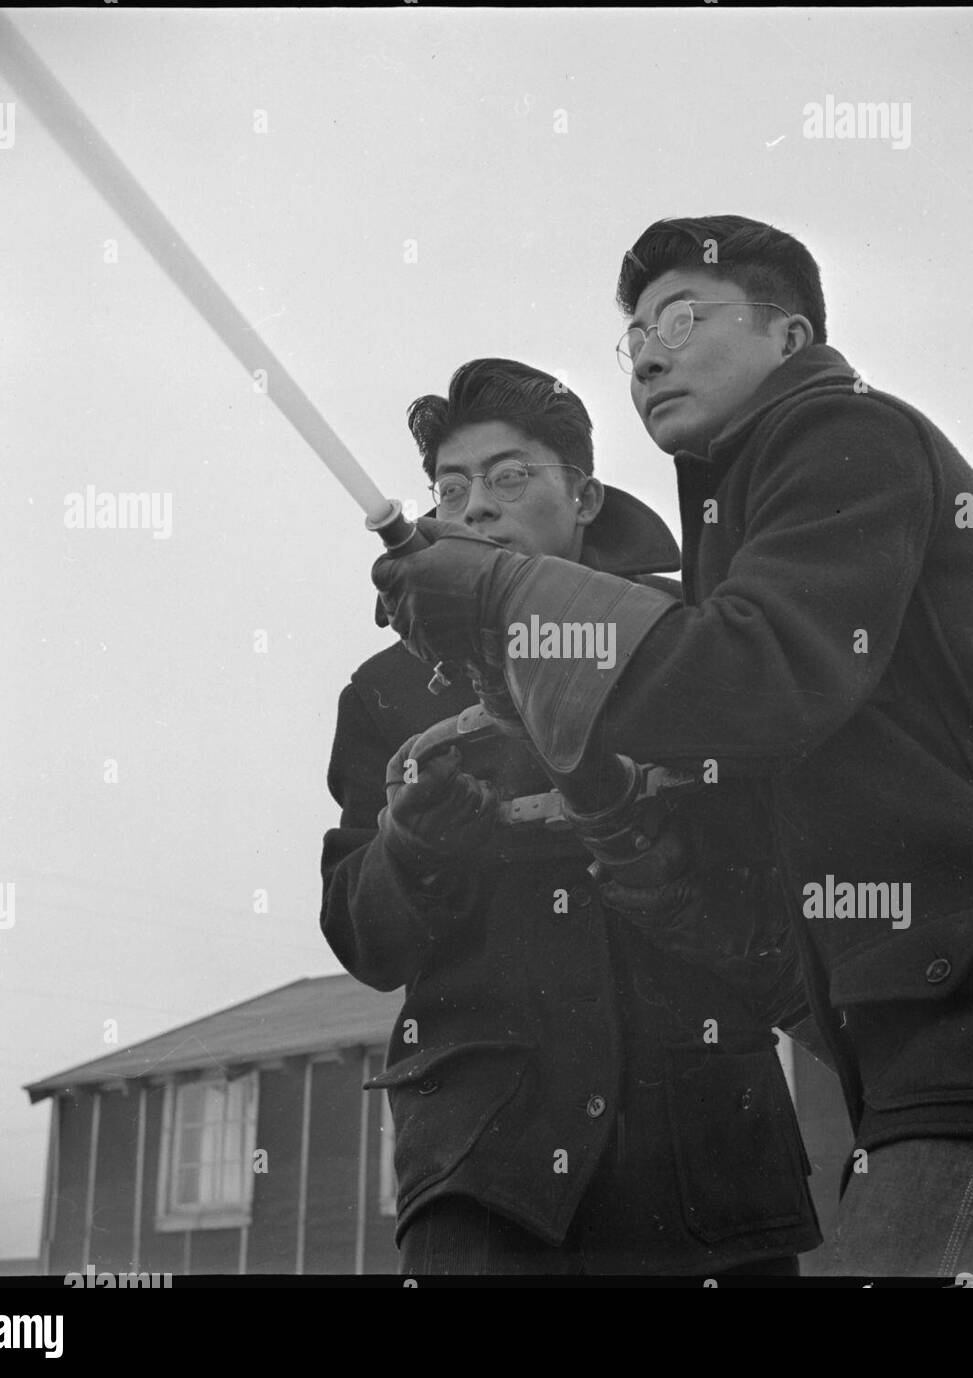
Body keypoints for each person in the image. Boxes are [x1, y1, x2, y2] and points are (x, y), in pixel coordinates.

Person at [373, 218, 973, 1279]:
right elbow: (770, 918)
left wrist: (499, 596)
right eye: (633, 337)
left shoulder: (840, 433)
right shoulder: (744, 534)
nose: (652, 353)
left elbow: (752, 677)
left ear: (789, 333)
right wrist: (619, 823)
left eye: (684, 316)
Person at [322, 357, 821, 1276]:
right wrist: (412, 846)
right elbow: (364, 940)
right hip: (484, 1179)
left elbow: (778, 866)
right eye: (451, 486)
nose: (476, 507)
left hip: (710, 1169)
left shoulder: (687, 641)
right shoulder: (388, 691)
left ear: (587, 495)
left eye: (512, 477)